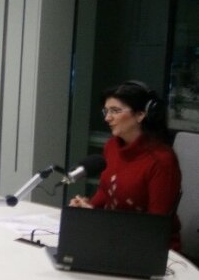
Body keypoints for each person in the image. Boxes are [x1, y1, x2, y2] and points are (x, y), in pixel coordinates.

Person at [69, 80, 182, 251]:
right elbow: (105, 192)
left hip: (151, 250)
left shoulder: (161, 160)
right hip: (113, 239)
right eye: (106, 111)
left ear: (141, 114)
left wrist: (103, 222)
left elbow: (156, 225)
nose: (107, 118)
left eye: (115, 111)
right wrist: (87, 209)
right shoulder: (112, 146)